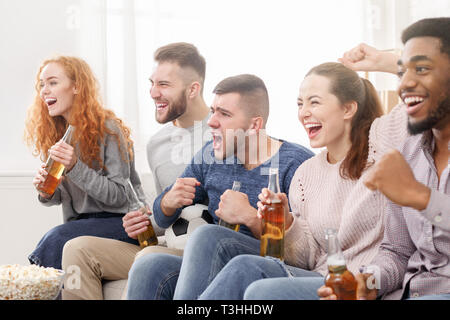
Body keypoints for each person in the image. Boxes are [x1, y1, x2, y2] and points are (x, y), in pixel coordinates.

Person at [196, 59, 410, 300]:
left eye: (314, 102)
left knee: (258, 288)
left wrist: (383, 60)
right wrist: (287, 222)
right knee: (244, 266)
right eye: (300, 104)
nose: (303, 113)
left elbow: (430, 92)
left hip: (364, 286)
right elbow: (306, 257)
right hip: (322, 279)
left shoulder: (381, 147)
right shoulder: (306, 173)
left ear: (348, 109)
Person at [126, 74, 314, 299]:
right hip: (219, 262)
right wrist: (166, 202)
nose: (212, 121)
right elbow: (163, 214)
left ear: (254, 125)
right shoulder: (211, 156)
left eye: (224, 114)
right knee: (150, 264)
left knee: (211, 237)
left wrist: (251, 218)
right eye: (213, 110)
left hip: (267, 267)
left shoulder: (297, 164)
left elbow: (304, 253)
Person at [60, 42, 212, 300]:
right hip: (166, 245)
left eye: (164, 85)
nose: (153, 93)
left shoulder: (224, 133)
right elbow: (167, 213)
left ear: (193, 89)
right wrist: (146, 221)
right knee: (76, 249)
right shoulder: (157, 144)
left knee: (148, 256)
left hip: (203, 250)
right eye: (151, 83)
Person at [319, 17, 450, 300]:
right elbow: (397, 252)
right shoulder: (408, 153)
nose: (405, 84)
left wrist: (422, 197)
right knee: (263, 291)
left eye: (422, 69)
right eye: (401, 73)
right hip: (408, 292)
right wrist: (368, 282)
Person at [25, 56, 142, 270]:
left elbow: (119, 196)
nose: (44, 90)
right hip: (80, 223)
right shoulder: (59, 135)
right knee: (59, 240)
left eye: (52, 82)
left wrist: (74, 167)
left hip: (122, 224)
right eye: (42, 85)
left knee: (56, 239)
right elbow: (64, 196)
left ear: (76, 86)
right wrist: (47, 192)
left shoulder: (109, 130)